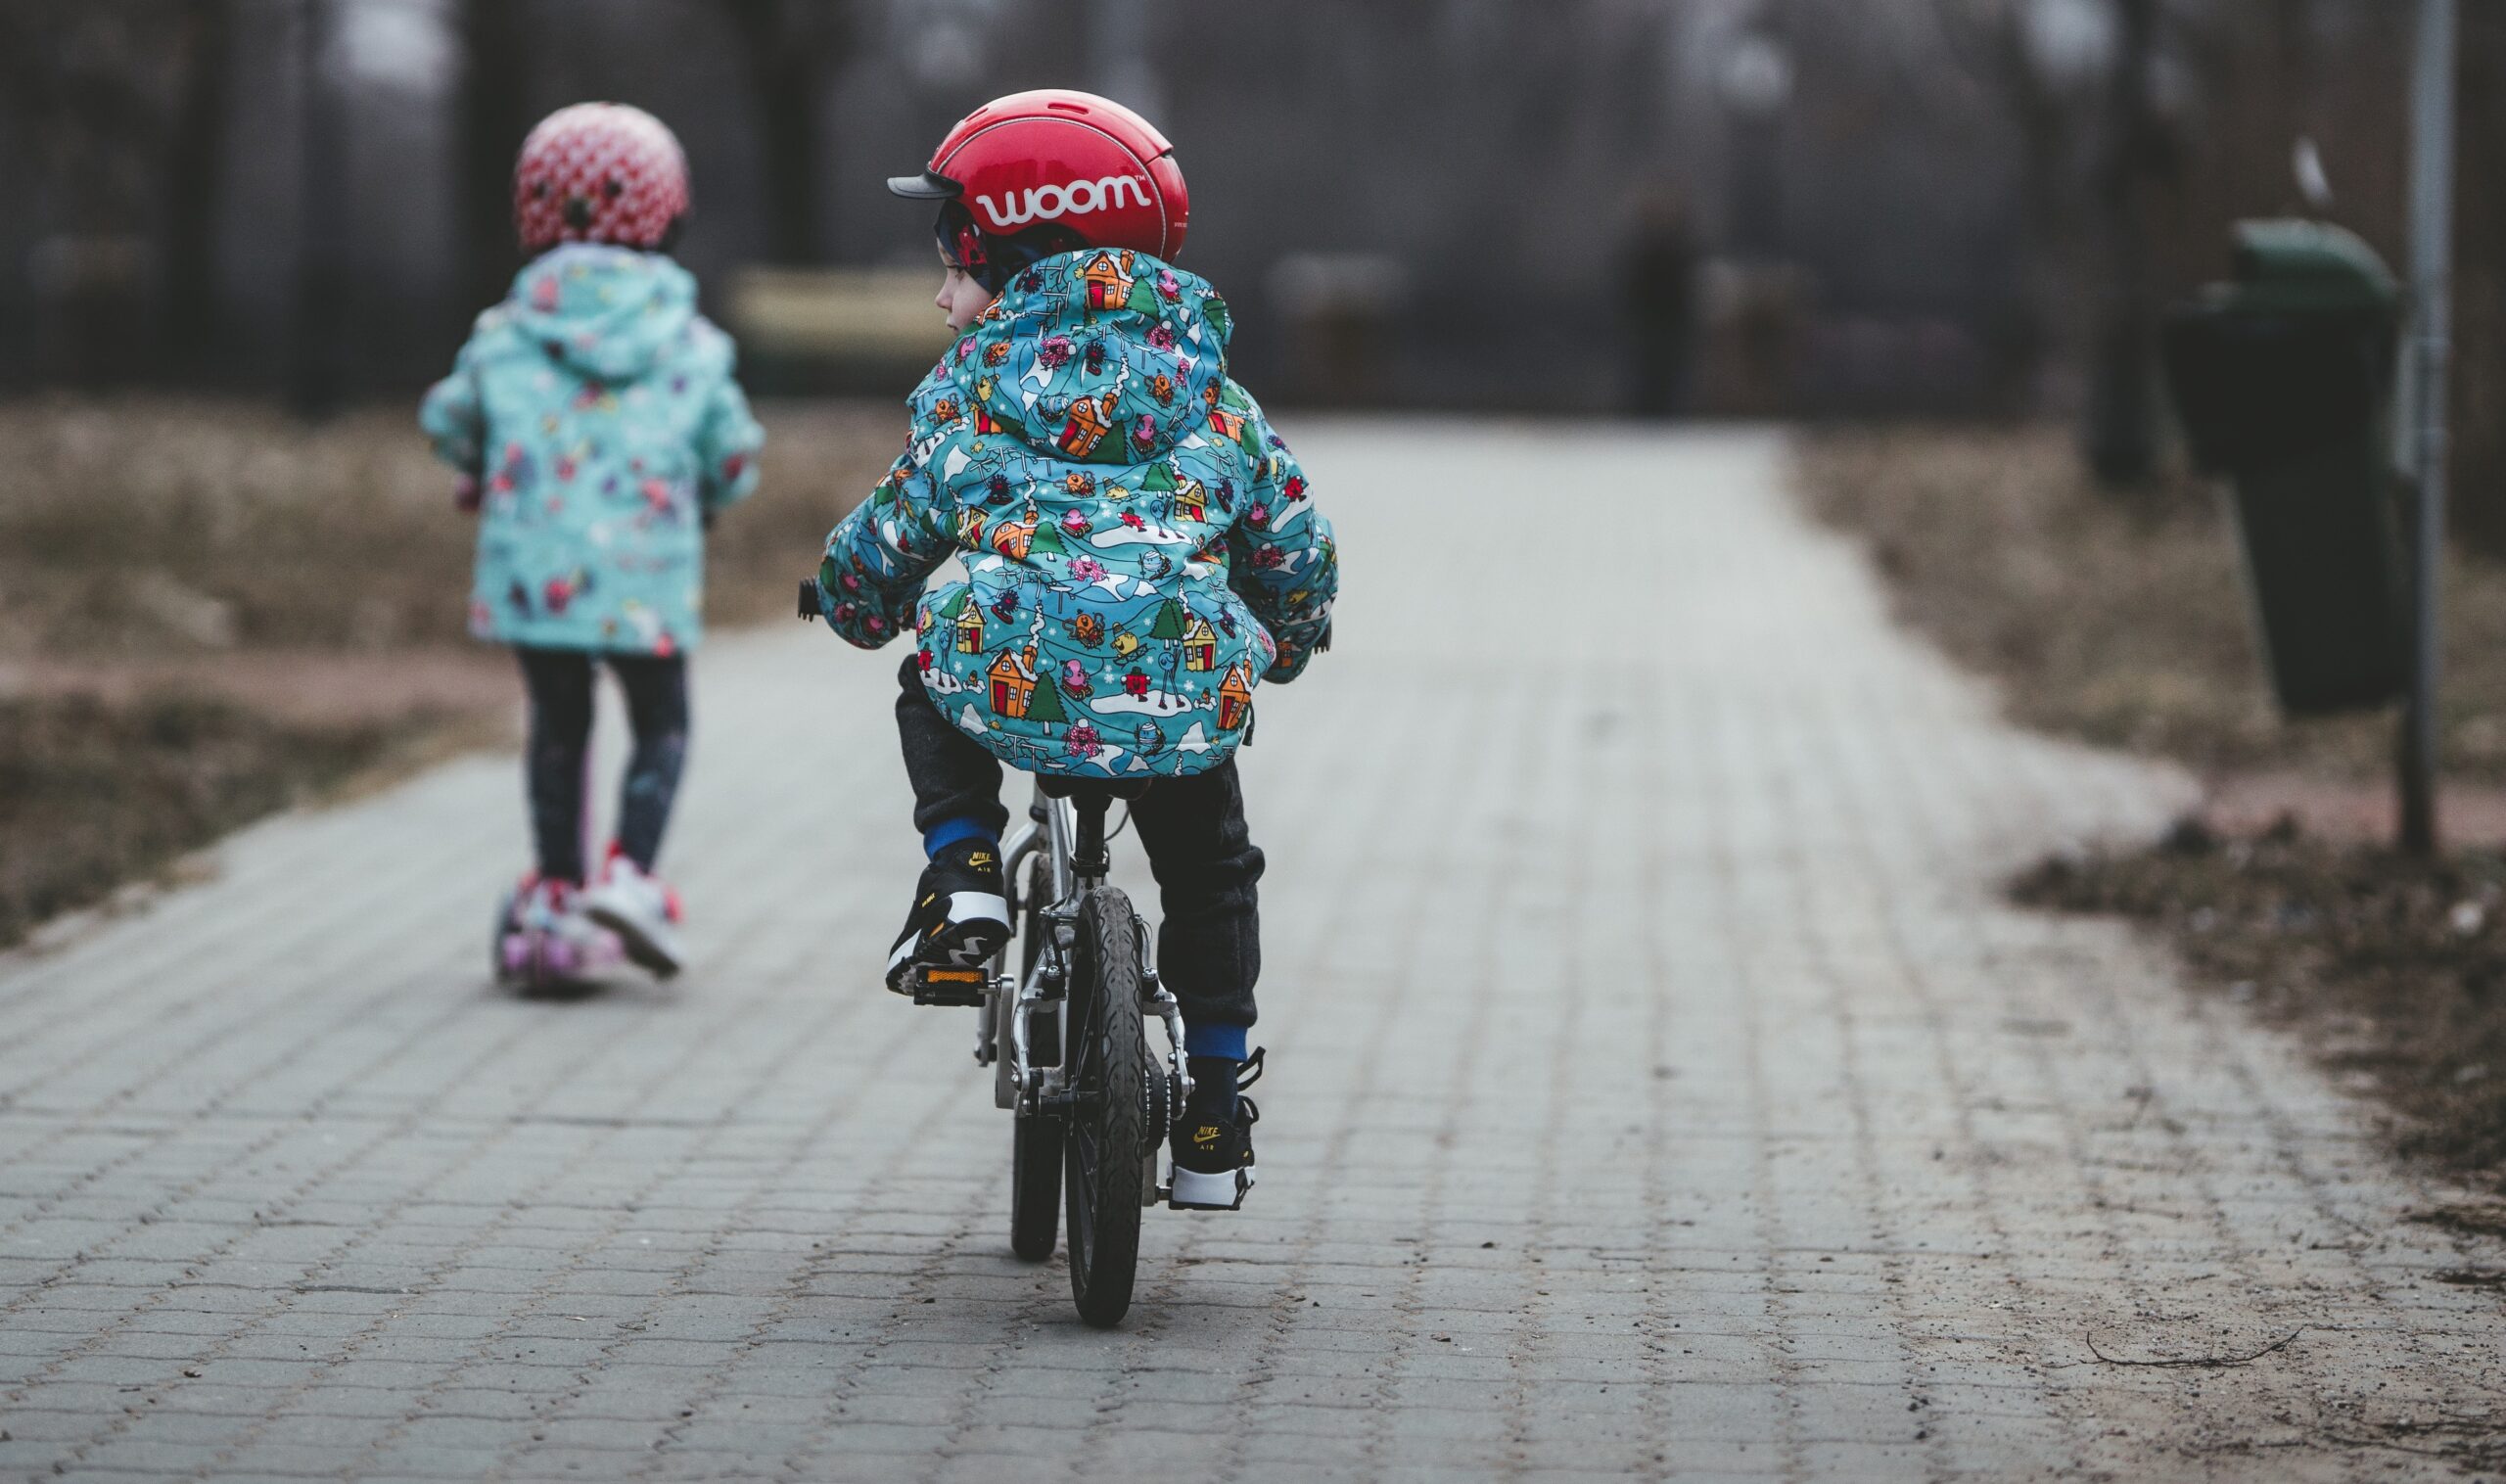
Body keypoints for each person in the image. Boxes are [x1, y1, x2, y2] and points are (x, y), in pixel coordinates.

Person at [813, 90, 1337, 1209]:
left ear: (1021, 254)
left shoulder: (967, 392)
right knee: (1210, 870)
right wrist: (1289, 634)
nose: (941, 293)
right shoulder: (1214, 392)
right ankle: (1209, 1103)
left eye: (956, 263)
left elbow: (895, 529)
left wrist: (855, 602)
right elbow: (1290, 537)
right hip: (1177, 683)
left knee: (929, 681)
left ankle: (961, 877)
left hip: (1014, 660)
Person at [421, 103, 764, 982]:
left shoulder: (505, 332)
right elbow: (728, 453)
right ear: (669, 211)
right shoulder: (690, 342)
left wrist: (478, 463)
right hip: (648, 578)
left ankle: (558, 894)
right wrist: (715, 494)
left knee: (559, 728)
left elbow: (451, 418)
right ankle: (630, 876)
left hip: (540, 583)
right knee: (661, 724)